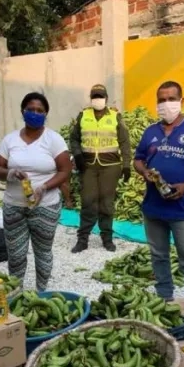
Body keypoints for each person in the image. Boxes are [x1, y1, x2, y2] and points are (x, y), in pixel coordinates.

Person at [132, 80, 184, 301]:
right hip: (153, 207)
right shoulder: (150, 131)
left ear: (181, 101)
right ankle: (164, 297)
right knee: (159, 255)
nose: (166, 104)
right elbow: (138, 159)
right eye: (161, 100)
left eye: (171, 99)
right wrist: (145, 172)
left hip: (183, 208)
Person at [0, 92, 72, 291]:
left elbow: (65, 170)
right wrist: (10, 173)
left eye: (40, 111)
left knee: (43, 252)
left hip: (45, 206)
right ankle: (16, 293)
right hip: (14, 206)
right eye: (30, 110)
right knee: (16, 255)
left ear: (46, 114)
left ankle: (41, 292)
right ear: (23, 112)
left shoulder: (54, 140)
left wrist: (44, 187)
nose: (35, 114)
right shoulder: (10, 140)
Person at [69, 84, 132, 253]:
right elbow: (74, 138)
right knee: (88, 202)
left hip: (110, 167)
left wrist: (126, 165)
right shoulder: (83, 116)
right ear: (91, 98)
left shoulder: (115, 116)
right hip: (88, 166)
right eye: (95, 96)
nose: (98, 99)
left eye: (100, 96)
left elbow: (125, 142)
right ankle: (82, 239)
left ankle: (107, 238)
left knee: (106, 204)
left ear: (106, 98)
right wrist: (77, 155)